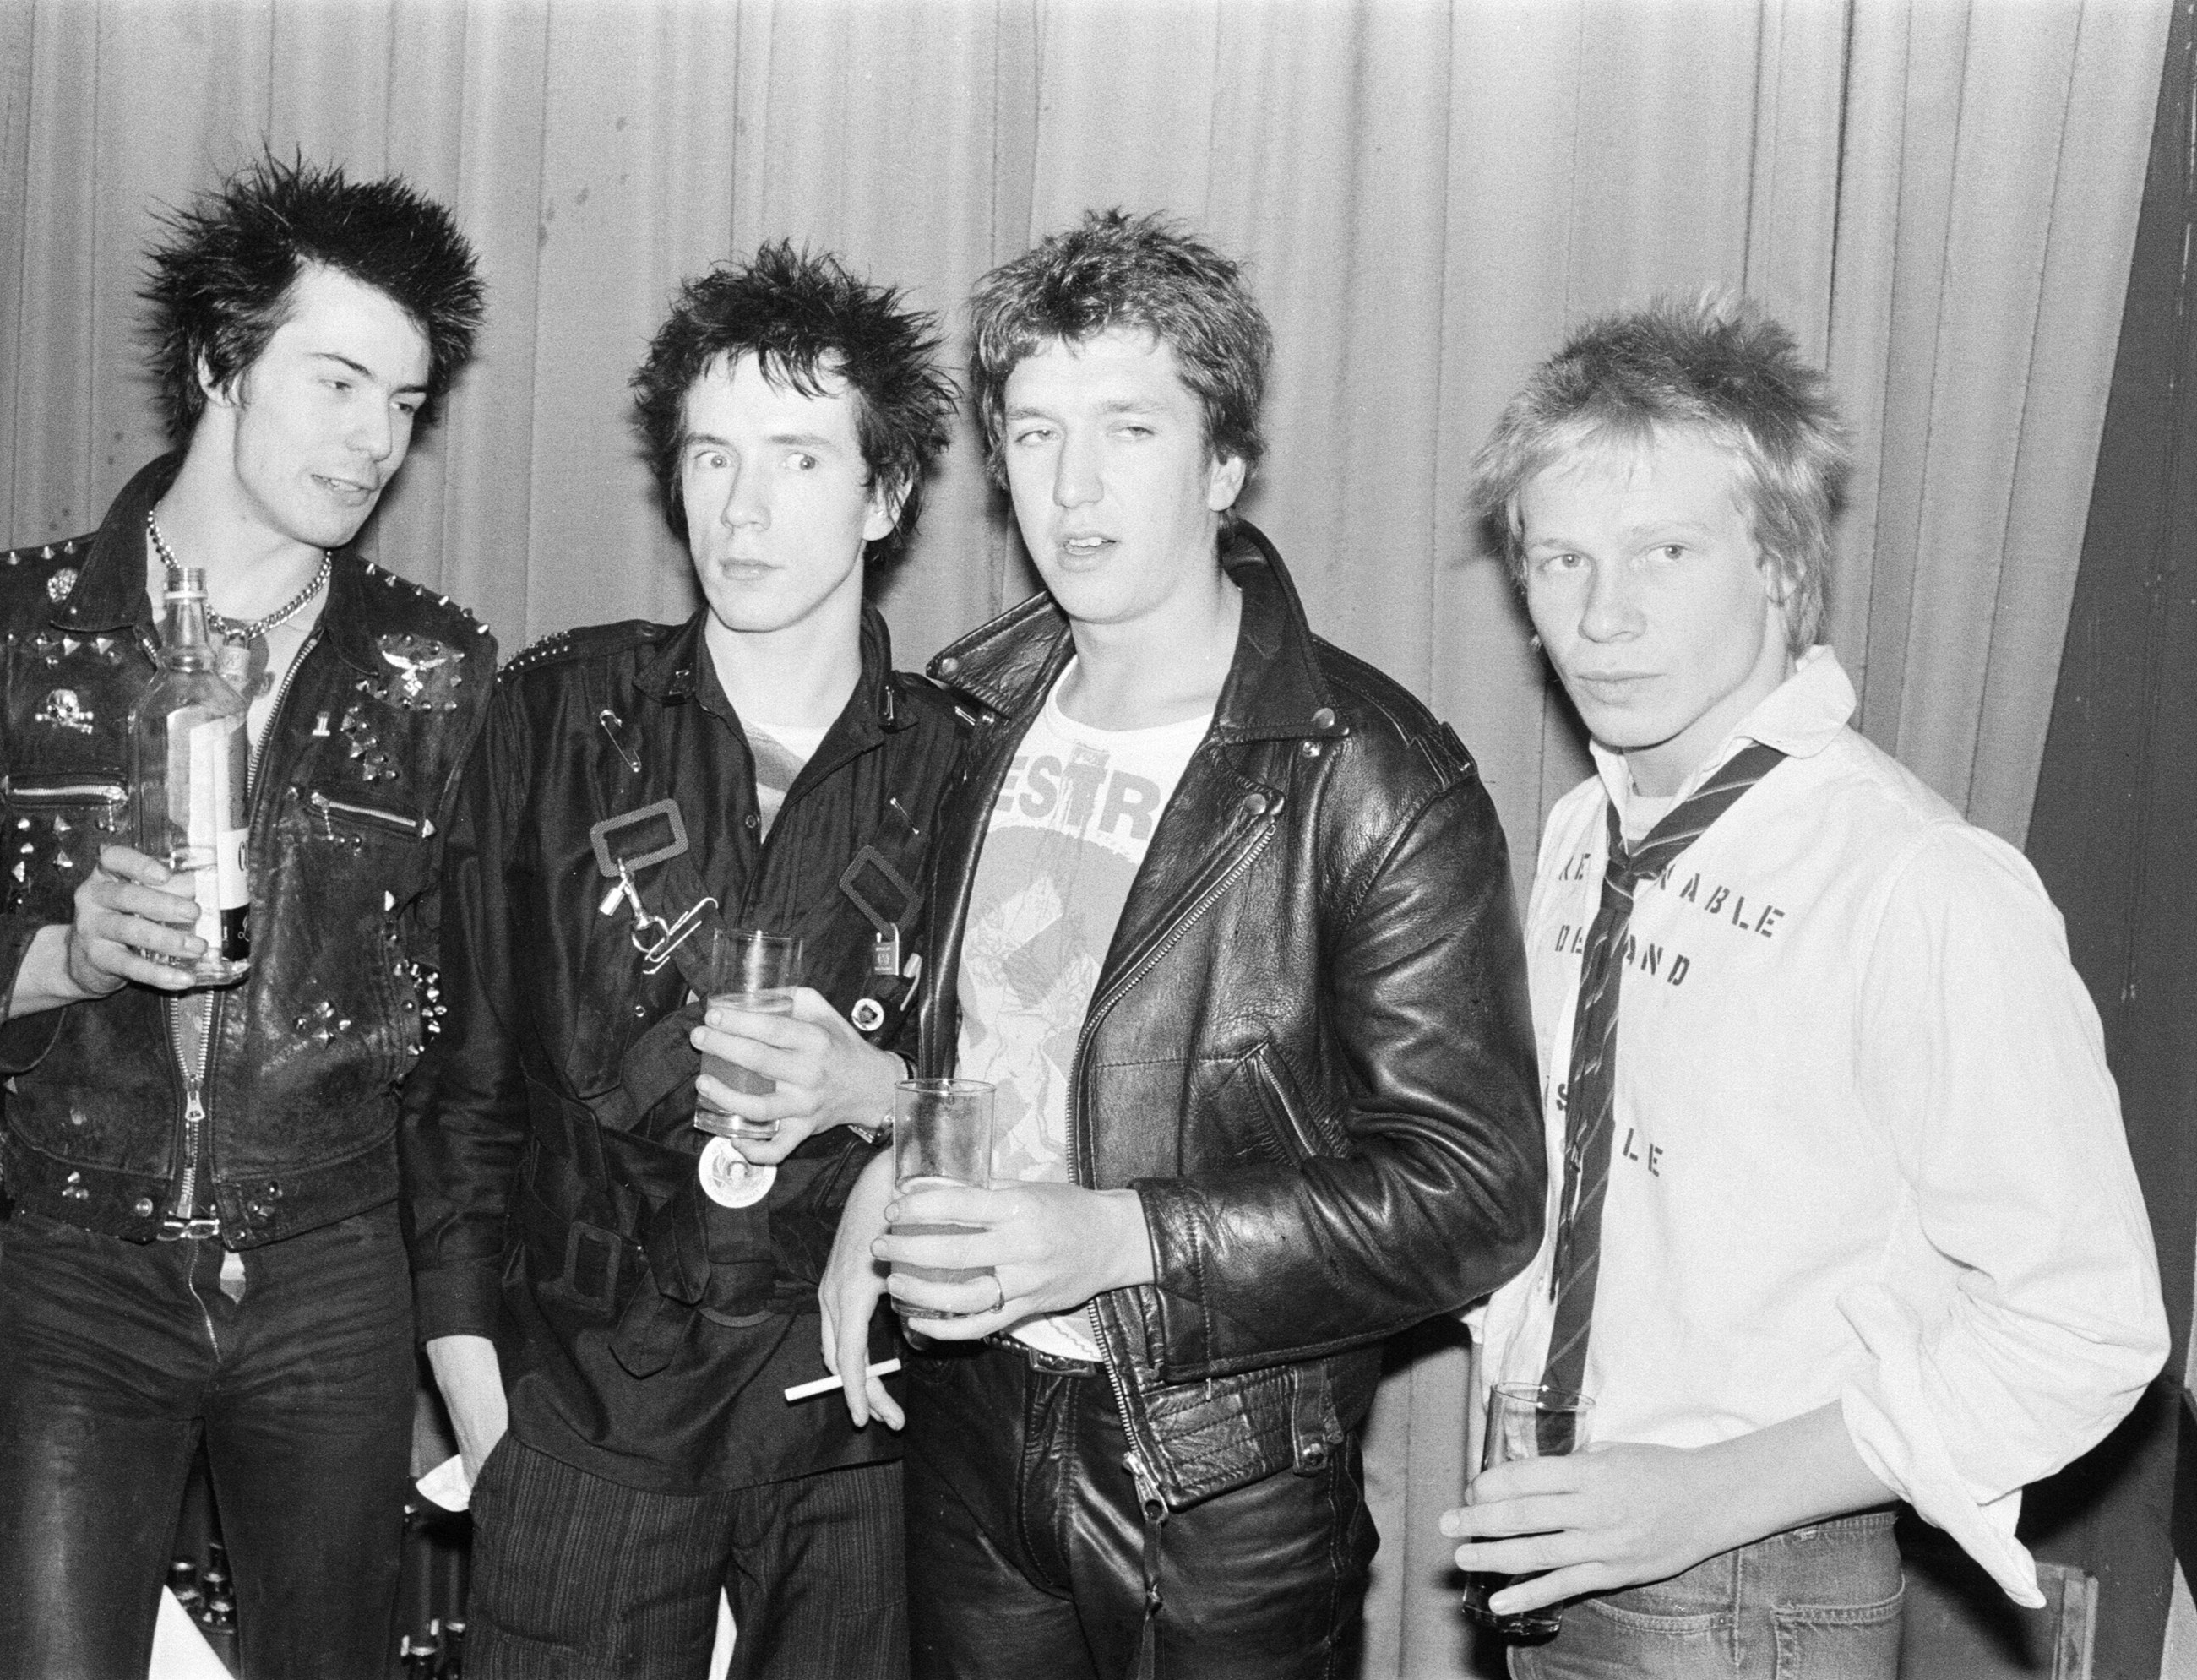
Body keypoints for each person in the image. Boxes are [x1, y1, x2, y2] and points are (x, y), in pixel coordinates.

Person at [822, 209, 1547, 1679]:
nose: (1072, 487)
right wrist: (882, 1172)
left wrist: (1121, 1236)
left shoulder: (1370, 772)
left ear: (1223, 464)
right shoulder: (975, 713)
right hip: (968, 1418)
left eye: (1129, 429)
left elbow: (1476, 1194)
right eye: (1034, 433)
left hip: (1215, 1468)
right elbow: (979, 1040)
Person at [0, 155, 493, 1679]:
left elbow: (474, 1041)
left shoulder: (437, 672)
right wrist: (58, 952)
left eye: (404, 402)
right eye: (337, 380)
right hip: (83, 1268)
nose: (373, 440)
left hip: (334, 1270)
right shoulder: (10, 626)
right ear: (220, 364)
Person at [1449, 296, 2168, 1677]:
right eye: (1560, 560)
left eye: (1666, 550)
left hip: (1753, 1589)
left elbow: (2090, 1320)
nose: (1605, 614)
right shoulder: (1583, 836)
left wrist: (1704, 1496)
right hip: (1561, 1554)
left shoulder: (1920, 881)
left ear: (1780, 564)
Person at [399, 241, 963, 1678]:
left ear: (885, 493)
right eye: (712, 457)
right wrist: (485, 1412)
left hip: (863, 1423)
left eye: (798, 458)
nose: (745, 507)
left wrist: (882, 1088)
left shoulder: (971, 766)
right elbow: (459, 1089)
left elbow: (1024, 1093)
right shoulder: (553, 718)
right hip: (586, 1411)